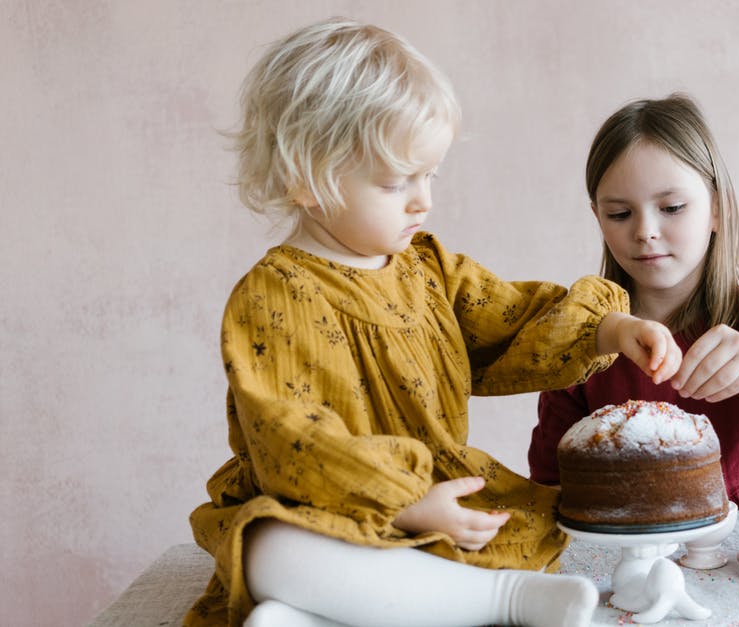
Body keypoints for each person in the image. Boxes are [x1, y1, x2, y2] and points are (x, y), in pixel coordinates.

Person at [186, 18, 682, 627]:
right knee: (266, 546)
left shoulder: (427, 270)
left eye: (430, 176)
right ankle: (481, 604)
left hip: (440, 495)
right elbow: (289, 435)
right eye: (396, 183)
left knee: (509, 531)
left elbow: (511, 317)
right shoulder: (271, 297)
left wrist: (607, 330)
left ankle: (454, 601)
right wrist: (403, 504)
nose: (423, 200)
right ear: (306, 180)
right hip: (324, 501)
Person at [528, 94, 739, 514]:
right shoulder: (584, 339)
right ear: (597, 217)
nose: (646, 231)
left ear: (717, 209)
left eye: (671, 208)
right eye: (620, 214)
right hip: (643, 555)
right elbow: (551, 483)